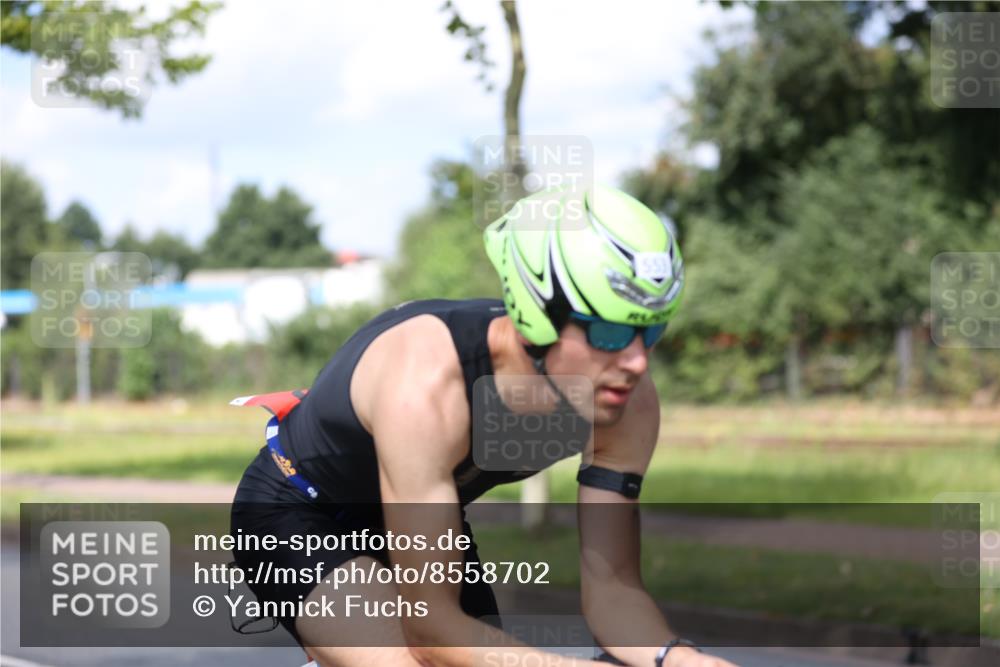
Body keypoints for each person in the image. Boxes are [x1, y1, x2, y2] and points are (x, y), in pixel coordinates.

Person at [230, 184, 738, 667]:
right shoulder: (429, 381)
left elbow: (613, 592)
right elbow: (432, 634)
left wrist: (679, 656)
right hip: (296, 512)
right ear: (538, 316)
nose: (636, 363)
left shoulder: (625, 400)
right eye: (609, 332)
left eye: (651, 332)